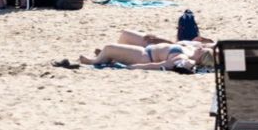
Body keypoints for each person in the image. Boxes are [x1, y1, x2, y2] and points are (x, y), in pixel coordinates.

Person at [78, 37, 212, 72]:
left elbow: (162, 65)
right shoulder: (192, 50)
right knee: (122, 39)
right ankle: (105, 57)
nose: (201, 48)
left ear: (201, 57)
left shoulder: (183, 58)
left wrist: (135, 67)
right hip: (147, 50)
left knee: (108, 48)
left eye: (203, 50)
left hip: (145, 56)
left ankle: (94, 61)